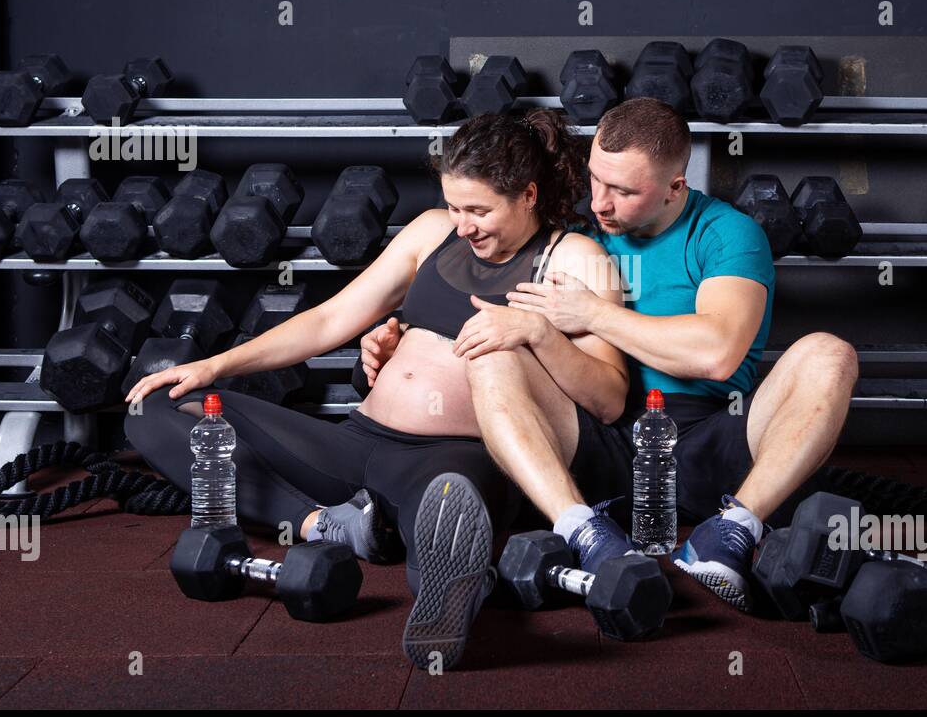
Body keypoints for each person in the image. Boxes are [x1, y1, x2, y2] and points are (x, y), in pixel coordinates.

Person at [124, 109, 633, 669]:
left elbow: (608, 400)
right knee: (158, 406)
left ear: (529, 195)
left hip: (456, 457)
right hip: (359, 444)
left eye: (479, 210)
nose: (463, 225)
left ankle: (444, 591)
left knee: (447, 522)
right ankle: (331, 525)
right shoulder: (431, 232)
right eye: (455, 206)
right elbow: (328, 320)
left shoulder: (578, 258)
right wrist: (214, 366)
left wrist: (538, 332)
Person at [364, 97, 858, 613]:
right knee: (498, 348)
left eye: (623, 190)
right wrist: (397, 341)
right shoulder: (576, 238)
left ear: (675, 186)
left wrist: (595, 315)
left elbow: (717, 354)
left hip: (711, 436)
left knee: (830, 353)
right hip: (601, 439)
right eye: (596, 179)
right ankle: (583, 530)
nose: (600, 202)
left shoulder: (726, 233)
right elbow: (488, 316)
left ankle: (732, 531)